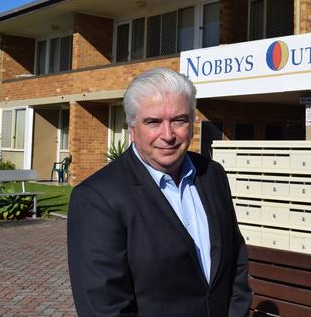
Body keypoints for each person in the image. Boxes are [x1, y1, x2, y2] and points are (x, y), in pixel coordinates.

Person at [68, 68, 252, 317]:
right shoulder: (97, 198)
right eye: (153, 122)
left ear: (192, 123)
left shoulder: (212, 175)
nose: (168, 135)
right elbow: (103, 307)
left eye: (179, 120)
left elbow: (235, 257)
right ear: (132, 128)